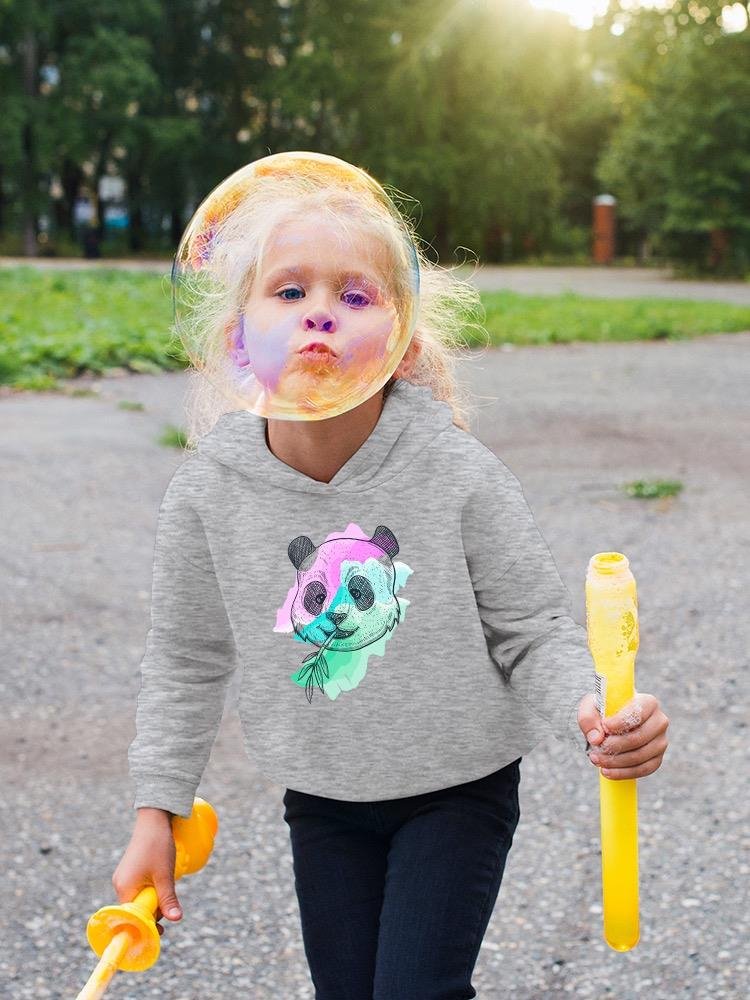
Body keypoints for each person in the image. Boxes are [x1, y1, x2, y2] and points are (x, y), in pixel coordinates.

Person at [112, 154, 670, 999]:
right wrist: (157, 810)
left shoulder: (457, 471)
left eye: (356, 295)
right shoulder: (207, 492)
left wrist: (593, 708)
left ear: (401, 337)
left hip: (457, 791)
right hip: (324, 798)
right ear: (240, 333)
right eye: (289, 292)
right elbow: (186, 660)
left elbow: (532, 627)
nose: (320, 317)